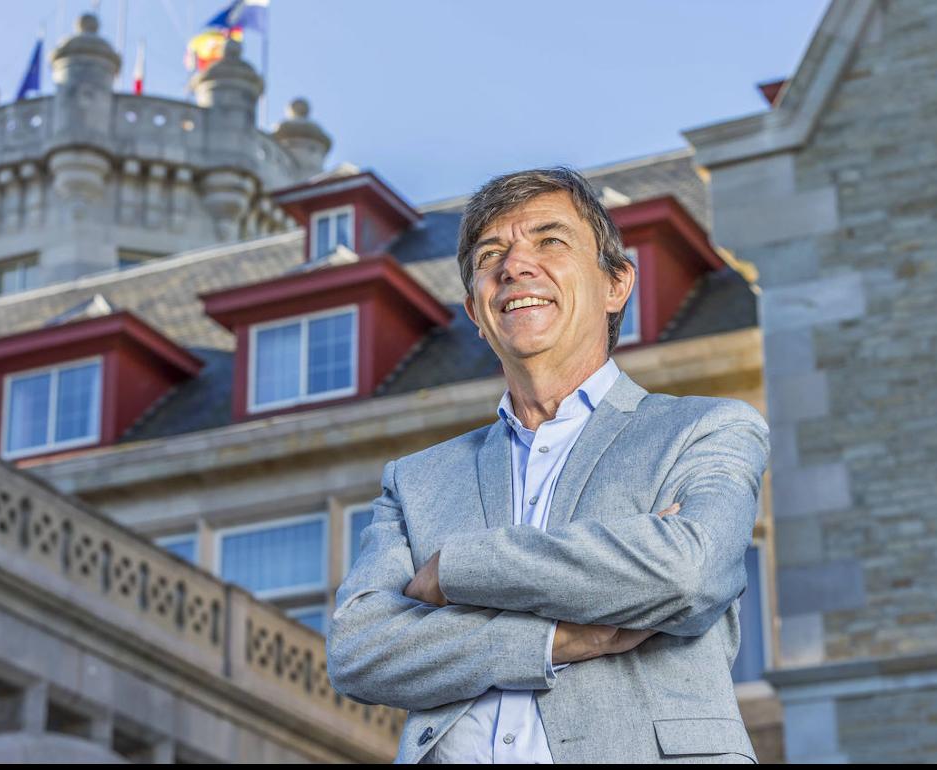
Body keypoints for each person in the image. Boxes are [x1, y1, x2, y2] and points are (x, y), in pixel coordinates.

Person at [325, 166, 769, 763]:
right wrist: (553, 639)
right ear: (477, 314)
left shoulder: (705, 430)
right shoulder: (417, 480)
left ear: (616, 284)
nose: (515, 265)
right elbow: (360, 649)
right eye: (491, 254)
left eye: (550, 241)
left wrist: (459, 567)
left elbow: (686, 572)